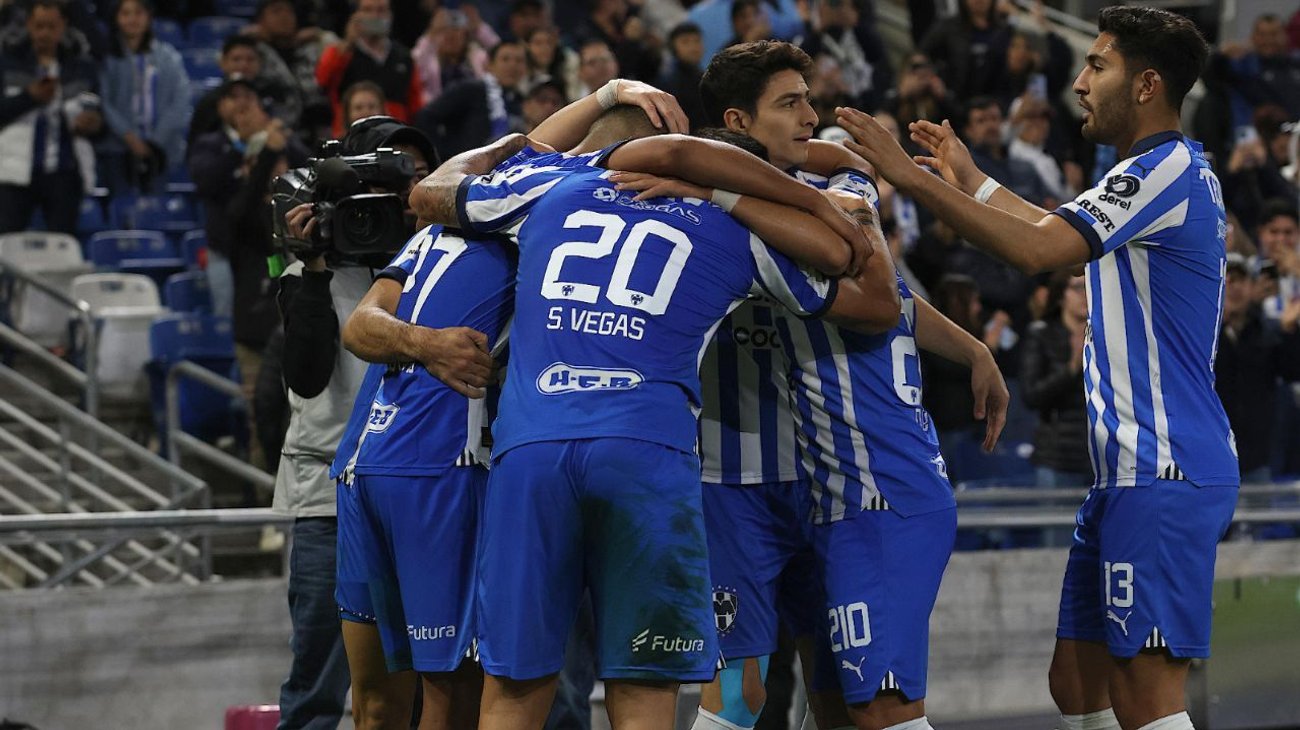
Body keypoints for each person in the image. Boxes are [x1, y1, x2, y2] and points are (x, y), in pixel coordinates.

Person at [410, 103, 883, 729]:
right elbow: (850, 267)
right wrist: (792, 198)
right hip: (646, 451)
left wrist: (510, 145)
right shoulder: (741, 230)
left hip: (532, 448)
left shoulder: (553, 185)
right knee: (643, 687)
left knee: (516, 685)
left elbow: (431, 195)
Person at [836, 7, 1238, 729]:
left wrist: (909, 178)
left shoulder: (1160, 170)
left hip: (1165, 467)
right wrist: (974, 181)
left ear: (1147, 85)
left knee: (1148, 695)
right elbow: (1051, 227)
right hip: (1130, 471)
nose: (1080, 83)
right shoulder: (1153, 173)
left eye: (1099, 65)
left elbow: (1038, 252)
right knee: (1077, 686)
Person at [688, 40, 1007, 730]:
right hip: (734, 481)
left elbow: (883, 299)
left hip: (829, 483)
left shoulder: (809, 203)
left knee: (843, 693)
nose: (810, 112)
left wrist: (971, 347)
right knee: (749, 693)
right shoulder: (700, 214)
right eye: (791, 102)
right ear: (740, 122)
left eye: (808, 99)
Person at [272, 116, 433, 730]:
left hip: (417, 493)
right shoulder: (303, 276)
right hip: (328, 502)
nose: (406, 193)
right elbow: (307, 376)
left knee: (422, 678)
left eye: (417, 176)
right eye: (395, 177)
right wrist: (313, 266)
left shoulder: (438, 267)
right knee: (318, 683)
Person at [0, 0, 101, 234]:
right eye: (39, 26)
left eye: (51, 26)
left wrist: (94, 124)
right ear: (28, 25)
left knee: (64, 246)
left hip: (64, 173)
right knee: (5, 249)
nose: (44, 33)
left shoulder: (82, 66)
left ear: (63, 26)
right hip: (13, 172)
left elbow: (98, 115)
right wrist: (29, 97)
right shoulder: (7, 63)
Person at [1214, 253, 1300, 484]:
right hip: (1212, 456)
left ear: (1252, 287)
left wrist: (1290, 332)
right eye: (1227, 279)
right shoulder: (1201, 338)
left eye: (1240, 279)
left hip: (1258, 459)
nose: (1233, 287)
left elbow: (1293, 370)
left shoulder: (1268, 332)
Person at [97, 0, 189, 196]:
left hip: (162, 151)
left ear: (149, 17)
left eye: (138, 13)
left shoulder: (169, 57)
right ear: (116, 18)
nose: (132, 19)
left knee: (157, 210)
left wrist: (155, 142)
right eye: (126, 13)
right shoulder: (107, 58)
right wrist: (129, 137)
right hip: (117, 150)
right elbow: (104, 102)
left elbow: (181, 101)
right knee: (122, 208)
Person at [1021, 270, 1092, 489]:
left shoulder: (1106, 335)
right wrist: (1072, 366)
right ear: (1061, 295)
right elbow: (1031, 395)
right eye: (1078, 288)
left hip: (1098, 458)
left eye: (1088, 288)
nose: (1085, 295)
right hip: (1057, 457)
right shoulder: (1041, 334)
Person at [315, 0, 422, 137]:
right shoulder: (341, 53)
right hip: (349, 134)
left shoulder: (404, 57)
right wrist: (347, 42)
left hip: (395, 135)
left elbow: (415, 105)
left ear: (390, 15)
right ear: (356, 15)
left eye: (381, 10)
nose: (375, 16)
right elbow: (322, 81)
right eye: (368, 10)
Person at [414, 40, 527, 160]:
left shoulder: (520, 100)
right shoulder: (471, 89)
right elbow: (426, 116)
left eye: (519, 61)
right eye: (505, 59)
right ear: (489, 64)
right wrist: (442, 157)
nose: (513, 66)